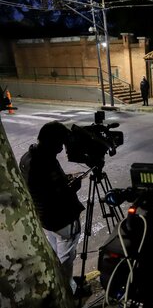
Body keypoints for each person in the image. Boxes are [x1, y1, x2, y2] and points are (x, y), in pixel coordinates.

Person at [20, 121, 85, 295]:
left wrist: (64, 181)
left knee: (55, 255)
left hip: (45, 219)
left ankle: (58, 284)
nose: (62, 148)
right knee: (66, 258)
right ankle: (67, 290)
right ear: (52, 141)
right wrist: (74, 187)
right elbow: (57, 196)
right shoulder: (45, 162)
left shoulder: (28, 156)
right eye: (60, 143)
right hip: (61, 220)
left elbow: (43, 188)